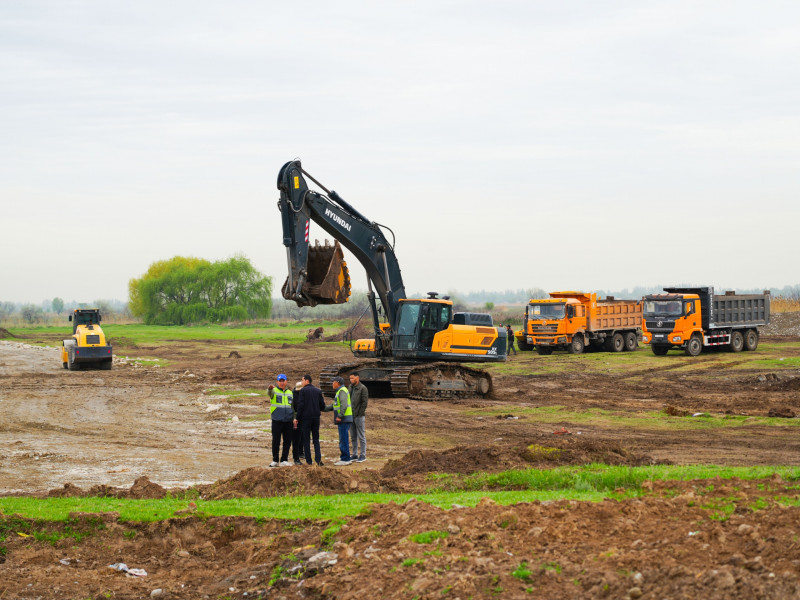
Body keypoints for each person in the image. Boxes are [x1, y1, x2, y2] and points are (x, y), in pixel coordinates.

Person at [294, 374, 330, 466]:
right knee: (316, 439)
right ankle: (318, 461)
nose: (301, 382)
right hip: (316, 418)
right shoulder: (318, 391)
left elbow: (300, 406)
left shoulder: (303, 391)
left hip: (305, 419)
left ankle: (309, 461)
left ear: (307, 381)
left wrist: (297, 418)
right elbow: (322, 405)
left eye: (302, 380)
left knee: (306, 440)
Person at [267, 374, 294, 467]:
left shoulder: (290, 393)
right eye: (280, 381)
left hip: (288, 420)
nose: (282, 382)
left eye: (283, 381)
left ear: (286, 381)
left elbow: (293, 406)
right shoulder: (274, 391)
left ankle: (284, 460)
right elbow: (269, 393)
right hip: (277, 420)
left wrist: (294, 418)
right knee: (276, 441)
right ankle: (275, 460)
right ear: (277, 382)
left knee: (287, 440)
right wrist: (270, 389)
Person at [331, 376, 353, 466]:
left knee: (343, 439)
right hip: (344, 419)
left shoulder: (342, 391)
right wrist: (323, 408)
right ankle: (345, 457)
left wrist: (340, 416)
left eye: (333, 382)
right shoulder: (340, 391)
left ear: (337, 382)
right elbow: (335, 405)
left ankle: (345, 459)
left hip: (344, 419)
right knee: (343, 438)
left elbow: (344, 404)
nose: (332, 384)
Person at [348, 371, 368, 463]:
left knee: (361, 436)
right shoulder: (350, 387)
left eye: (352, 378)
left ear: (357, 378)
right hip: (351, 416)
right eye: (350, 378)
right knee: (353, 436)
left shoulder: (363, 388)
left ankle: (363, 454)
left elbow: (364, 403)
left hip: (359, 416)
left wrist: (359, 413)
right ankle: (355, 454)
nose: (351, 380)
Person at [291, 381, 305, 465]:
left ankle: (301, 452)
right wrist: (294, 418)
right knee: (296, 438)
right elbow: (292, 407)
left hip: (302, 417)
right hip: (296, 418)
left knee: (302, 436)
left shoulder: (303, 394)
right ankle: (296, 456)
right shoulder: (293, 395)